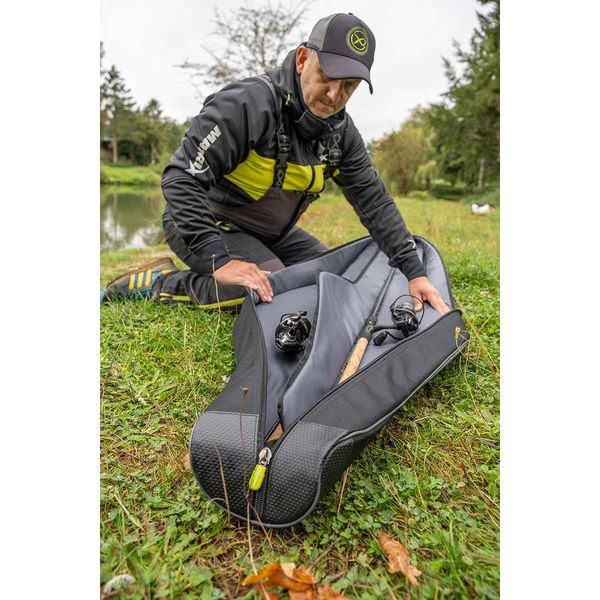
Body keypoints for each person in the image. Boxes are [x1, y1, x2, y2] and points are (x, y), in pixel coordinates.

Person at [101, 13, 449, 315]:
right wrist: (218, 260)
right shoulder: (248, 104)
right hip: (208, 223)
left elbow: (374, 202)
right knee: (269, 291)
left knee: (334, 281)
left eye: (349, 85)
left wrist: (414, 272)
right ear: (302, 59)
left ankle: (255, 261)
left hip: (273, 234)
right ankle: (161, 282)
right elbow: (181, 177)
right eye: (327, 76)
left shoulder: (342, 134)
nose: (334, 95)